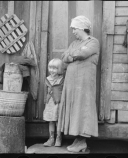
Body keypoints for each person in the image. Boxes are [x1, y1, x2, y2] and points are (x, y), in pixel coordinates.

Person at [57, 15, 99, 153]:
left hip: (84, 83)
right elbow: (64, 57)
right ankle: (77, 139)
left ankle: (82, 140)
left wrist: (71, 55)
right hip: (72, 83)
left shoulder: (93, 42)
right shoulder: (74, 43)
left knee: (83, 107)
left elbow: (82, 54)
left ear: (81, 27)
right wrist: (71, 55)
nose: (73, 31)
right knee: (74, 107)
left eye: (74, 28)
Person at [43, 58, 65, 147]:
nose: (52, 70)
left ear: (59, 69)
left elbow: (64, 92)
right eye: (50, 68)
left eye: (55, 68)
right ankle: (51, 138)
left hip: (58, 103)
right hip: (50, 103)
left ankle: (59, 138)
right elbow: (45, 91)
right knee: (51, 120)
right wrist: (45, 100)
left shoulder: (62, 80)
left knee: (58, 120)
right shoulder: (47, 79)